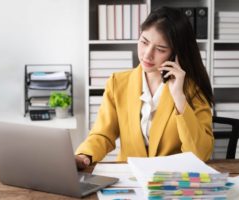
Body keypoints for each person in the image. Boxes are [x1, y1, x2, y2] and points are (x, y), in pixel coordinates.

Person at [75, 6, 214, 169]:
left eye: (160, 49)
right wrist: (84, 155)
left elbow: (200, 154)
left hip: (172, 181)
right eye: (144, 42)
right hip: (129, 179)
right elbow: (103, 134)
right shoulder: (117, 83)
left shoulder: (191, 89)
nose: (147, 54)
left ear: (175, 54)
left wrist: (179, 97)